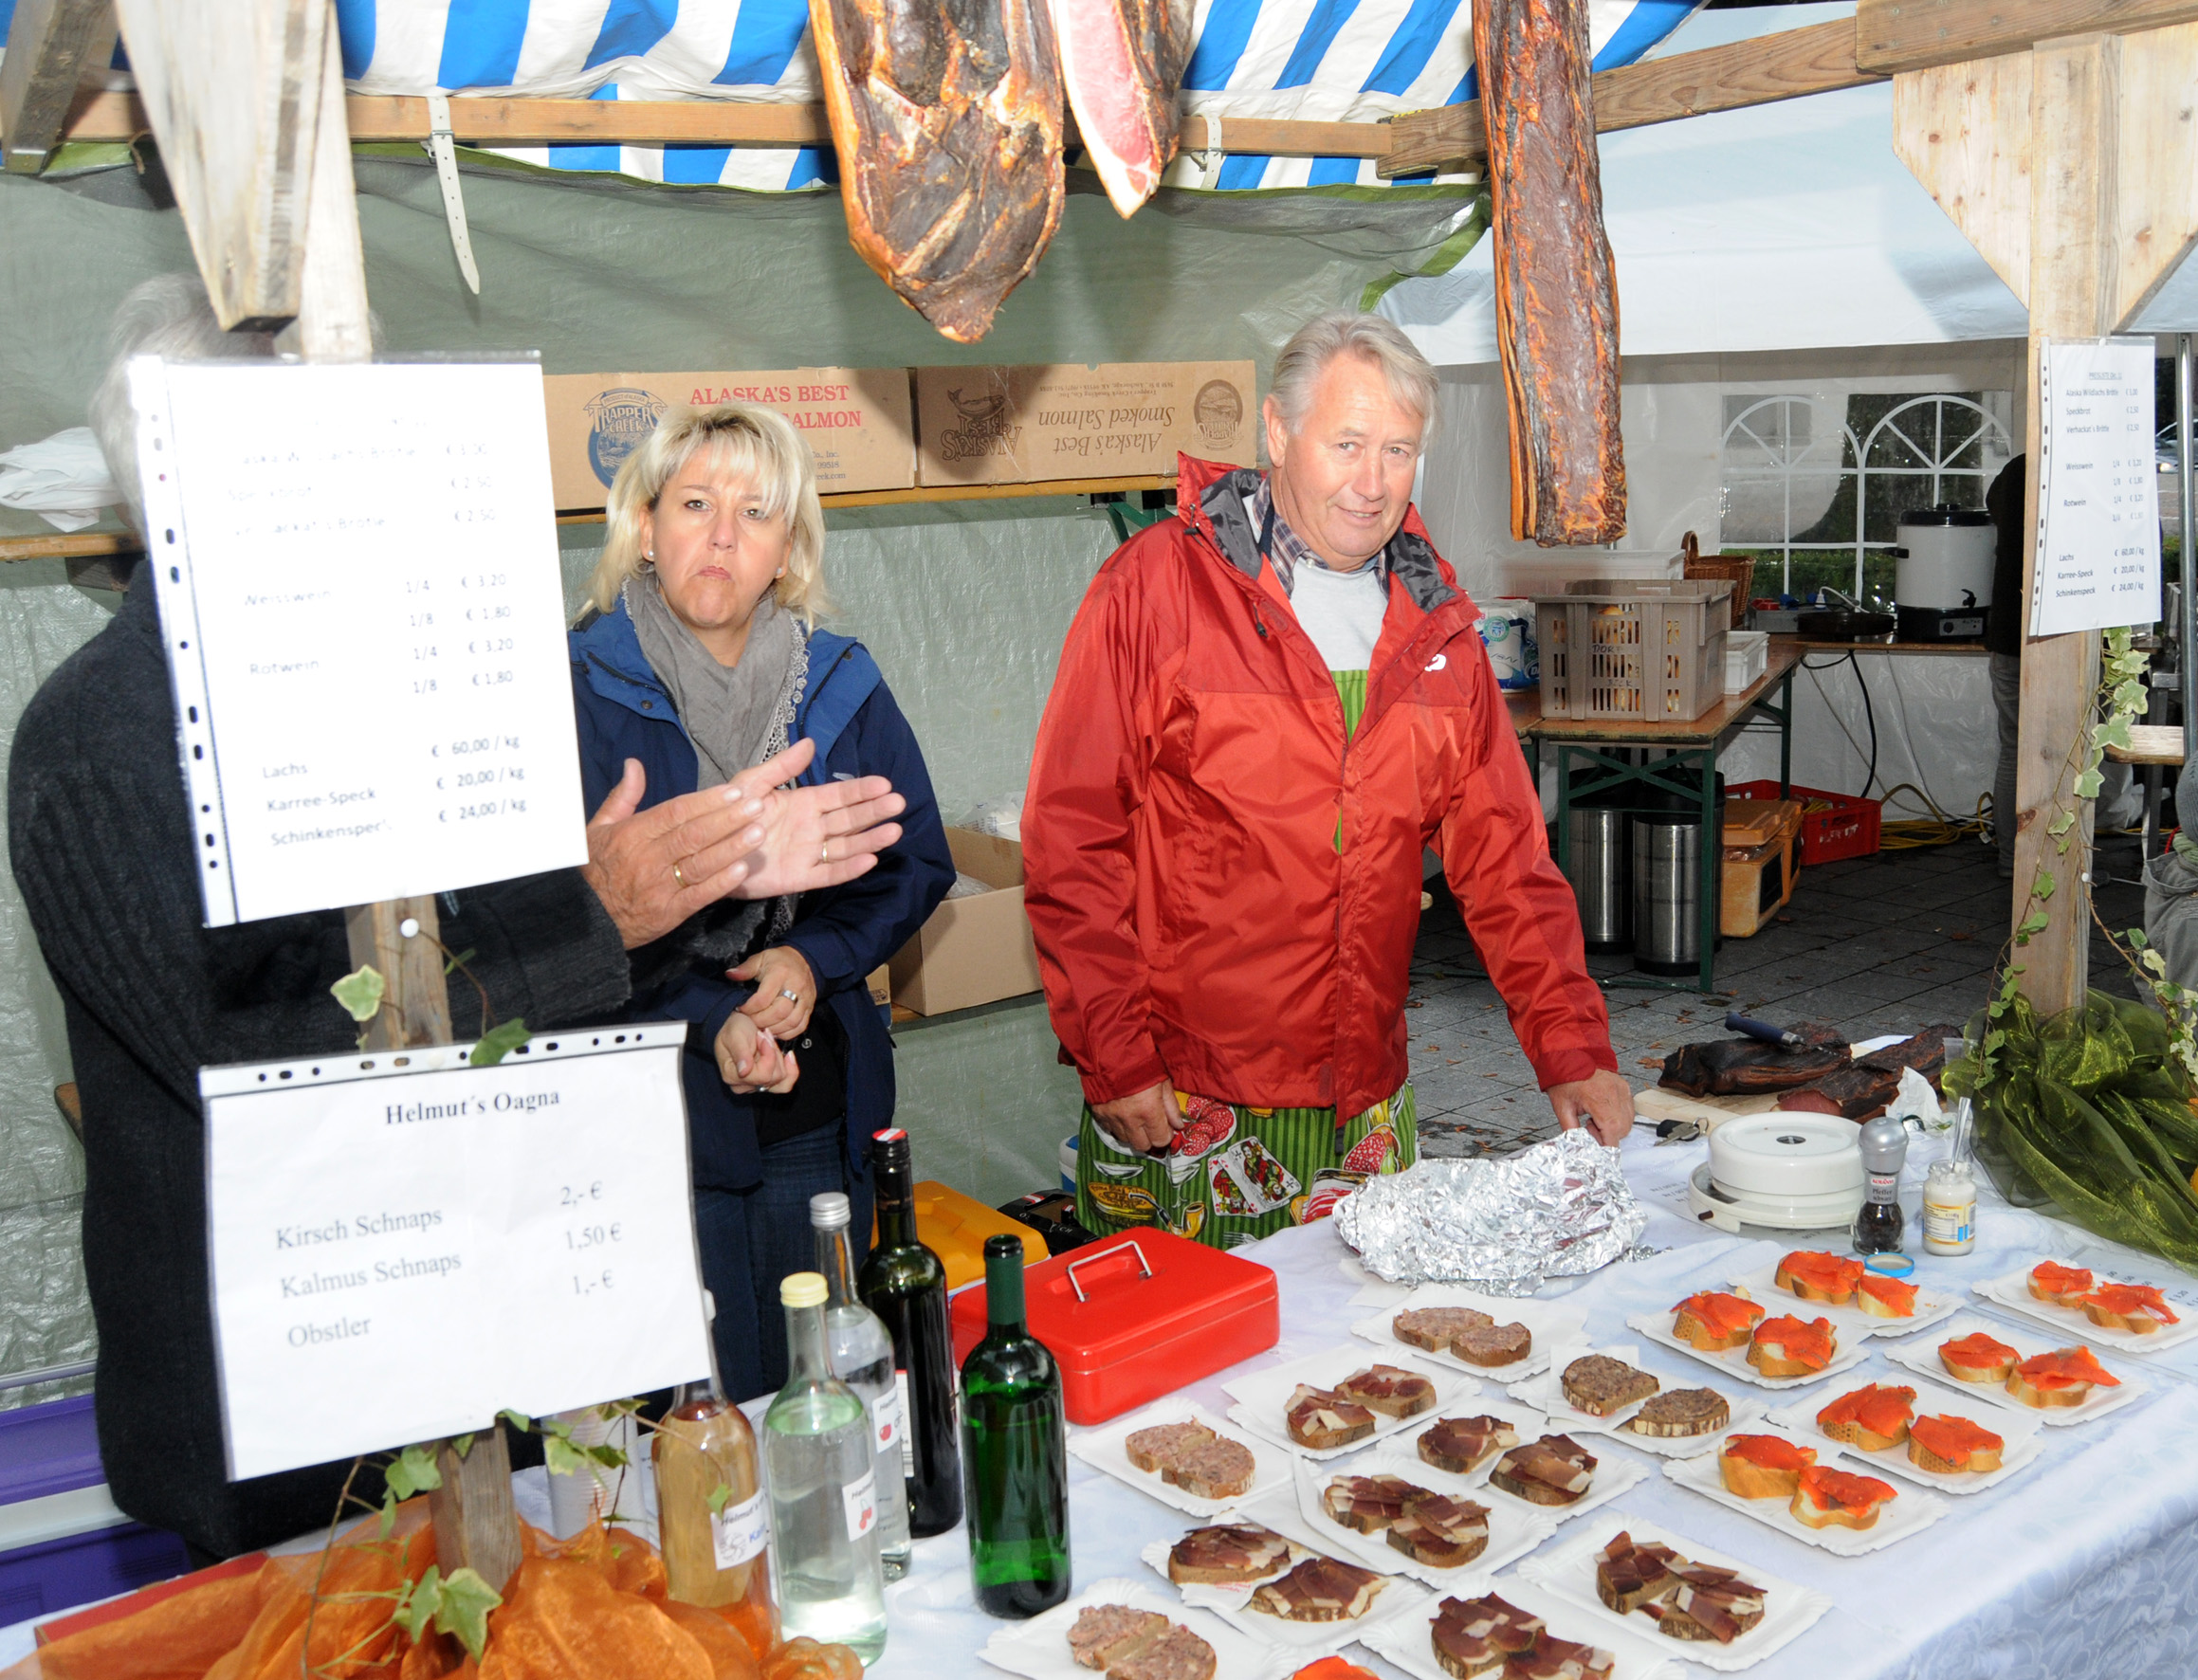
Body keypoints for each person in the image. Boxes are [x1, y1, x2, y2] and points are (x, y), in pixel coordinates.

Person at [5, 276, 908, 1562]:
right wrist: (603, 911)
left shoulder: (379, 685)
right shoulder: (97, 740)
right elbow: (253, 1059)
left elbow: (492, 938)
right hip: (284, 1421)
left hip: (471, 1357)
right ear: (187, 471)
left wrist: (684, 889)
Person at [1024, 311, 1631, 1250]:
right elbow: (1073, 836)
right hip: (1189, 1095)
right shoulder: (1155, 590)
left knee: (1364, 1341)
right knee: (1200, 1341)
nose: (1372, 481)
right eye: (1346, 444)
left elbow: (1507, 861)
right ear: (1276, 432)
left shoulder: (1436, 625)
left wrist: (1572, 1046)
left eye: (1398, 450)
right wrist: (1114, 1053)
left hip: (1365, 1095)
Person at [569, 402, 954, 1400]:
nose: (722, 536)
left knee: (820, 1388)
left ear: (788, 551)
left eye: (755, 513)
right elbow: (551, 927)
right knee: (694, 1410)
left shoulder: (839, 685)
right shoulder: (576, 691)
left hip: (810, 1104)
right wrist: (712, 1014)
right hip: (652, 1117)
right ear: (644, 529)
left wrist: (810, 960)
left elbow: (916, 861)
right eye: (695, 504)